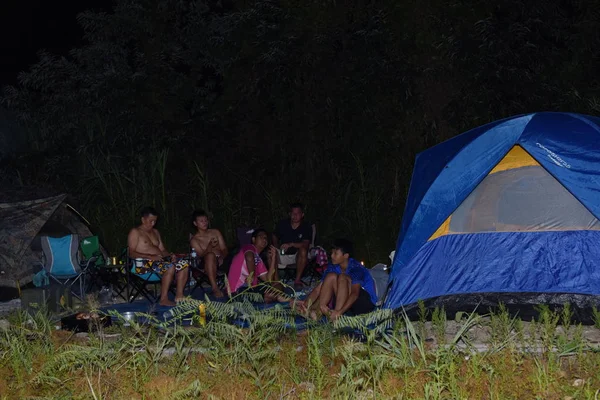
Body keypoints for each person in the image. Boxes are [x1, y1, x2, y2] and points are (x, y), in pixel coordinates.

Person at [297, 239, 376, 320]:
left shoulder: (356, 268)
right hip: (346, 302)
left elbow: (355, 294)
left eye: (335, 253)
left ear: (345, 256)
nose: (332, 256)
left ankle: (336, 317)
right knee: (331, 276)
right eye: (332, 253)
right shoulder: (333, 266)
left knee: (342, 277)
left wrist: (340, 312)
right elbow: (318, 289)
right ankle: (319, 312)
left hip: (364, 304)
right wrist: (305, 304)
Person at [127, 207, 189, 306]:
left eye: (155, 221)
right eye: (150, 221)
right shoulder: (135, 232)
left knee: (184, 264)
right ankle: (163, 299)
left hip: (159, 263)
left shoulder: (155, 232)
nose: (153, 224)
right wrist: (149, 256)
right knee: (169, 266)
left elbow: (162, 250)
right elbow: (131, 253)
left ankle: (179, 295)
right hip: (142, 265)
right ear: (143, 219)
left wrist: (170, 255)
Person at [227, 228, 288, 302]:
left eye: (265, 238)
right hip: (237, 292)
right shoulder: (248, 247)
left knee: (277, 285)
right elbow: (249, 257)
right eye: (261, 237)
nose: (264, 239)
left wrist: (274, 258)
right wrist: (251, 275)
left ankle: (269, 297)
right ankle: (286, 300)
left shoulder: (258, 259)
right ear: (253, 239)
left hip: (250, 292)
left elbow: (268, 279)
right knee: (274, 290)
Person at [273, 202, 312, 290]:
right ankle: (276, 281)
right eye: (293, 213)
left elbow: (306, 244)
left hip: (298, 256)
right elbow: (274, 235)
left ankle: (297, 280)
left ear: (302, 214)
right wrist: (277, 246)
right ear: (290, 214)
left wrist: (291, 244)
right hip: (283, 253)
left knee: (303, 250)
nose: (295, 216)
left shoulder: (306, 226)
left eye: (297, 213)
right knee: (270, 252)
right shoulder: (283, 224)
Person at [190, 209, 228, 298]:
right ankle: (215, 288)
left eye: (206, 220)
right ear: (195, 223)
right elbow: (202, 255)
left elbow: (224, 249)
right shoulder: (195, 240)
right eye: (201, 221)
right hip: (206, 263)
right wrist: (210, 245)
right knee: (210, 256)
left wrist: (222, 257)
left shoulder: (215, 232)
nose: (205, 223)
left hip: (221, 260)